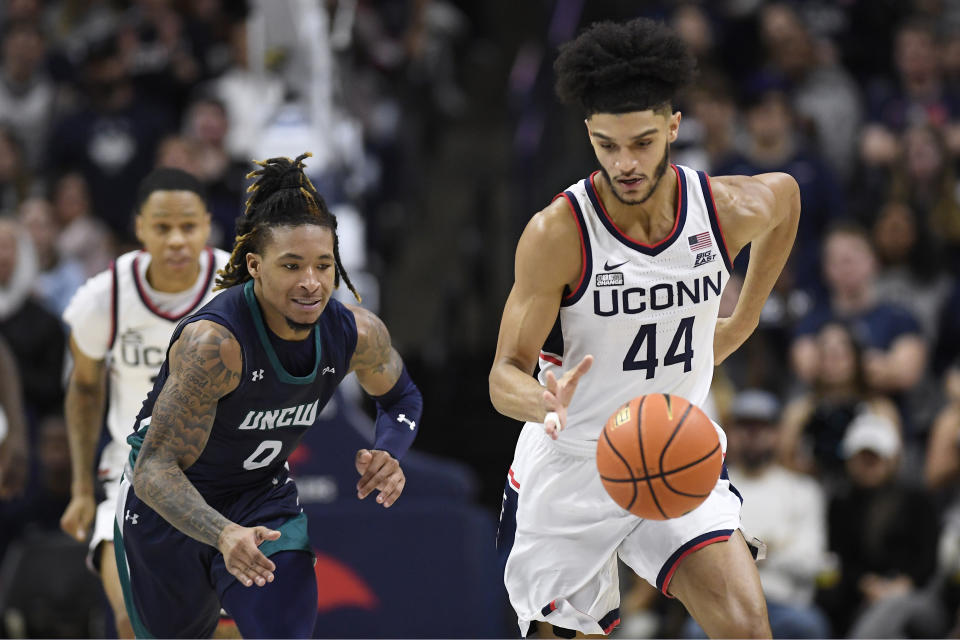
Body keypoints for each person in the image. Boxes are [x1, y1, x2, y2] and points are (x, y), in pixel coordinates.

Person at [489, 18, 800, 639]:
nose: (624, 163)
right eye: (607, 145)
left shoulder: (723, 208)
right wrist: (542, 401)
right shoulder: (559, 234)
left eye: (642, 142)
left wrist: (745, 315)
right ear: (589, 135)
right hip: (574, 464)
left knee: (748, 628)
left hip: (675, 449)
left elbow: (786, 198)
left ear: (674, 129)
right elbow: (503, 377)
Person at [113, 153, 421, 638]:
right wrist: (221, 534)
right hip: (167, 509)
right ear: (254, 265)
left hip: (259, 496)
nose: (312, 283)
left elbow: (402, 399)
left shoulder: (355, 332)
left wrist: (388, 450)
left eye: (324, 265)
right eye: (292, 265)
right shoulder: (216, 346)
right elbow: (154, 469)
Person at [58, 167, 231, 638]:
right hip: (132, 468)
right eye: (162, 227)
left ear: (207, 224)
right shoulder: (104, 296)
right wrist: (79, 488)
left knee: (232, 630)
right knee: (133, 624)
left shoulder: (239, 286)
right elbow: (86, 390)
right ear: (139, 228)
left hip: (224, 471)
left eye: (188, 226)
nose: (176, 240)